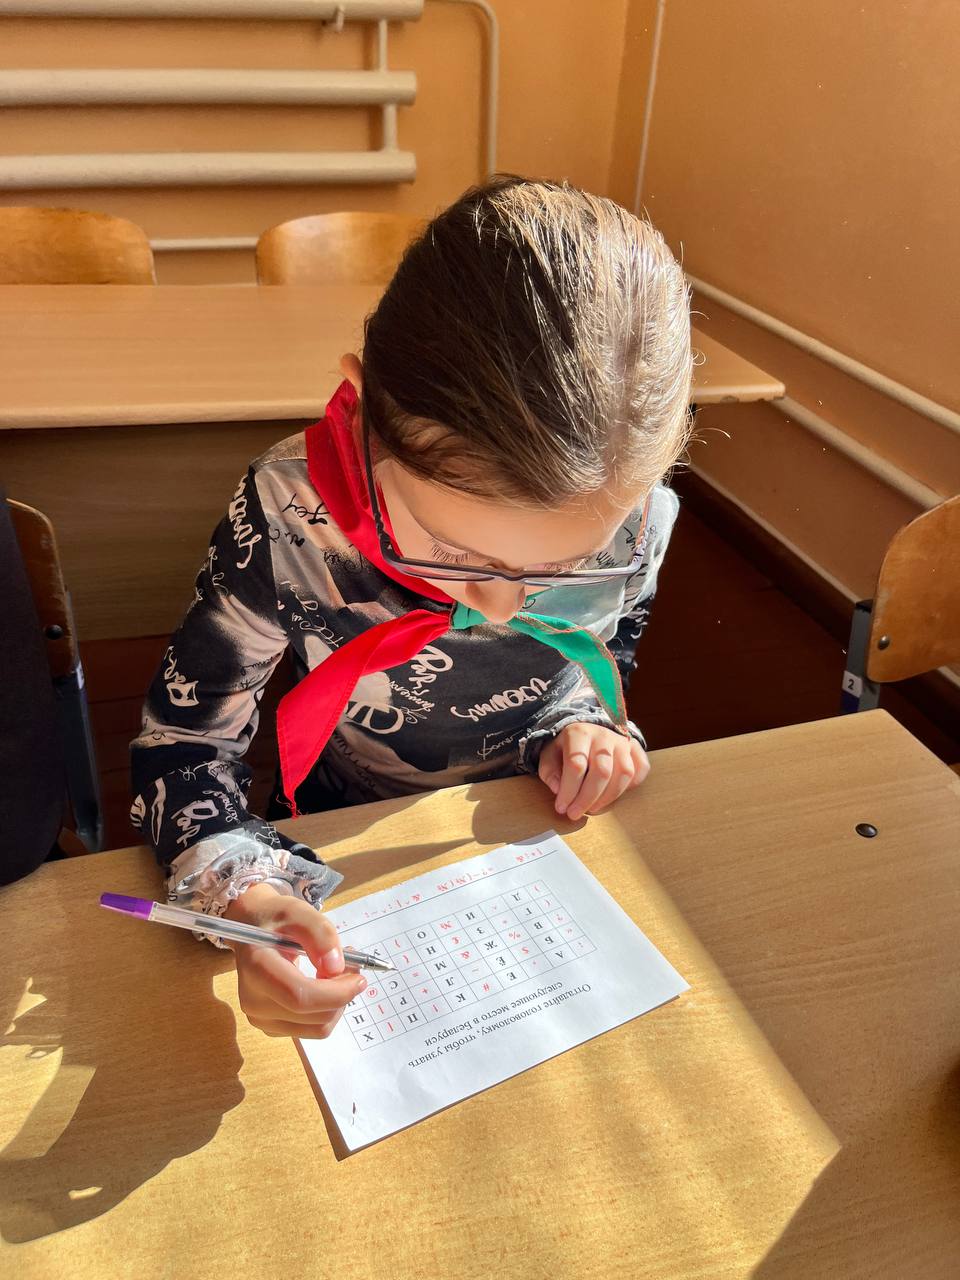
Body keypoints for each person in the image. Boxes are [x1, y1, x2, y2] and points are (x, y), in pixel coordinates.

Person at [130, 175, 693, 1042]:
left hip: (531, 829)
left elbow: (609, 655)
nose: (499, 606)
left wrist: (585, 725)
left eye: (570, 564)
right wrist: (243, 893)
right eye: (453, 551)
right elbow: (184, 744)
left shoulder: (639, 516)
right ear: (363, 411)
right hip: (340, 816)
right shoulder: (291, 512)